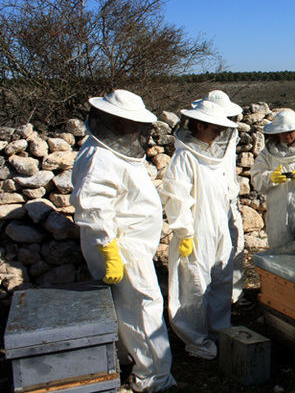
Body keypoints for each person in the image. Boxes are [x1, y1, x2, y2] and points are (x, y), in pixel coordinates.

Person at [71, 89, 175, 392]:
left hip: (129, 246)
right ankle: (153, 376)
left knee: (127, 310)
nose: (135, 130)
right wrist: (108, 248)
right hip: (123, 248)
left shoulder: (115, 151)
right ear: (114, 122)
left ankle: (129, 360)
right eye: (129, 123)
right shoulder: (101, 156)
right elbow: (92, 205)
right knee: (145, 309)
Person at [159, 99, 238, 360]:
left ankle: (219, 332)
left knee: (221, 279)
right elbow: (175, 196)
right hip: (196, 231)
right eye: (214, 128)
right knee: (195, 285)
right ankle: (196, 340)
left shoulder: (213, 156)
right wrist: (184, 231)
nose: (219, 134)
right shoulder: (185, 157)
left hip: (219, 226)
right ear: (200, 124)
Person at [192, 91, 248, 306]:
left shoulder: (227, 134)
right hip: (208, 203)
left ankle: (234, 294)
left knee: (235, 245)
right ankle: (213, 298)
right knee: (211, 253)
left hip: (229, 197)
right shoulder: (197, 143)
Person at [250, 109, 295, 247]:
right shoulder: (267, 154)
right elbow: (256, 178)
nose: (287, 135)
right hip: (278, 217)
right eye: (283, 132)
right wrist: (270, 177)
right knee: (280, 260)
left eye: (290, 131)